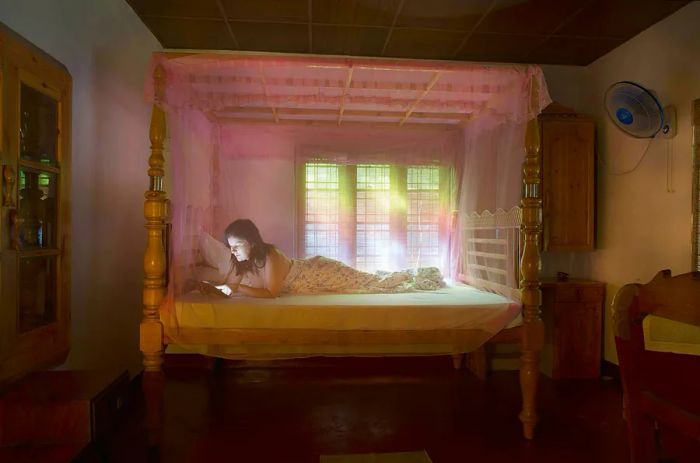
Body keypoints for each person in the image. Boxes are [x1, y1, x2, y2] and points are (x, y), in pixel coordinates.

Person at [205, 218, 445, 298]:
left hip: (320, 271)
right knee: (369, 282)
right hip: (315, 276)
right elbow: (231, 284)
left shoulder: (271, 254)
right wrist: (216, 287)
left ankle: (421, 275)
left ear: (252, 242)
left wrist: (236, 290)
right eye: (230, 247)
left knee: (372, 284)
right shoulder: (245, 261)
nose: (233, 251)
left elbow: (272, 293)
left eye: (237, 245)